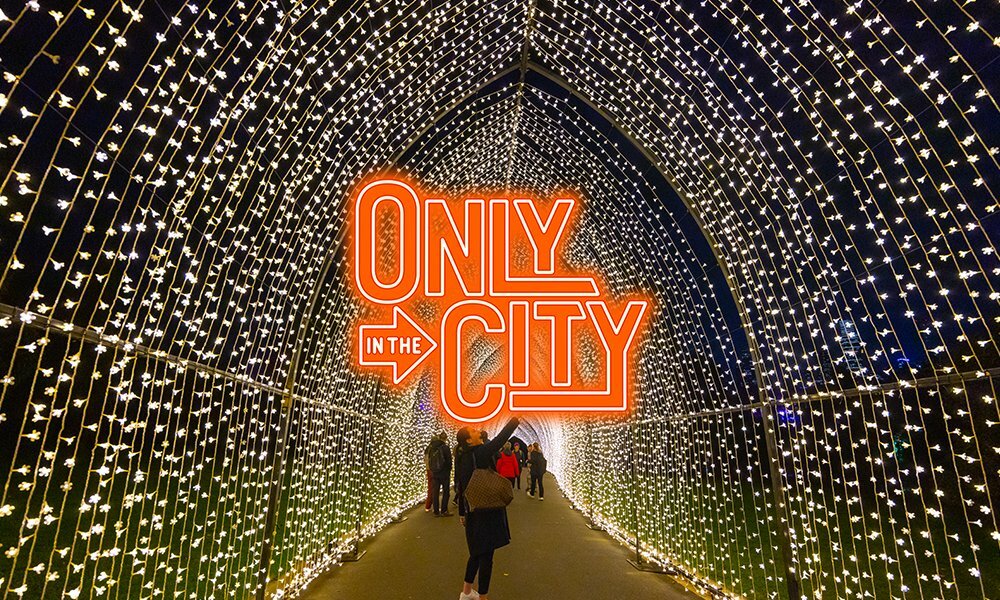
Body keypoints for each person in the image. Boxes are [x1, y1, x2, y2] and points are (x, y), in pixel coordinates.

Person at [455, 417, 520, 600]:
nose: (479, 432)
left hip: (473, 510)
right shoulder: (480, 454)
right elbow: (500, 439)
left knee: (476, 551)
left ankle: (466, 592)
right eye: (474, 432)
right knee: (486, 557)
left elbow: (461, 487)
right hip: (487, 510)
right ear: (469, 440)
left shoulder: (463, 457)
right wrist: (515, 420)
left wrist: (462, 512)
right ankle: (483, 597)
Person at [426, 431, 453, 516]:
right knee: (446, 492)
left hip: (435, 472)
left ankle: (436, 511)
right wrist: (449, 469)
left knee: (435, 492)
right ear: (445, 438)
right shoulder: (445, 447)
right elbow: (449, 460)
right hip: (444, 472)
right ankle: (444, 510)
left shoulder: (431, 448)